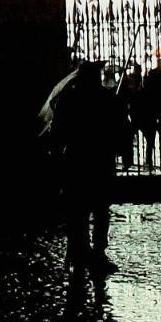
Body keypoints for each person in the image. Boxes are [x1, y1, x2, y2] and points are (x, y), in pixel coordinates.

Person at [50, 61, 121, 275]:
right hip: (100, 161)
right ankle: (97, 252)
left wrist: (56, 154)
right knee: (100, 210)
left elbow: (57, 131)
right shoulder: (107, 98)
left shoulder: (68, 99)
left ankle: (78, 250)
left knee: (78, 210)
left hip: (76, 161)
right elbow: (119, 128)